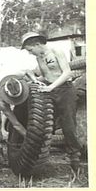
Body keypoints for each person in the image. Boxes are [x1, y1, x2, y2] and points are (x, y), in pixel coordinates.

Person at [21, 31, 81, 173]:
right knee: (45, 123)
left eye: (30, 50)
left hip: (65, 89)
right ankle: (40, 155)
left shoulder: (56, 51)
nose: (30, 53)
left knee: (68, 124)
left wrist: (51, 87)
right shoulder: (39, 58)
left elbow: (67, 72)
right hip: (50, 90)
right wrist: (32, 79)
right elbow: (46, 76)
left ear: (37, 44)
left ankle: (75, 156)